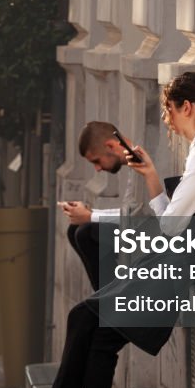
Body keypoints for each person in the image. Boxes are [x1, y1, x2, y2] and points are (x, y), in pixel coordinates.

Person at [0, 72, 195, 388]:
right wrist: (153, 176)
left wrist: (141, 192)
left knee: (85, 319)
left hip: (177, 263)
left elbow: (170, 227)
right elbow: (167, 221)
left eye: (169, 111)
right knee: (95, 334)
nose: (167, 120)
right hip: (172, 258)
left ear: (187, 107)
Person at [60, 121, 138, 292]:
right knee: (75, 229)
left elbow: (138, 218)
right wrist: (89, 213)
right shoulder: (133, 163)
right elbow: (129, 213)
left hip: (153, 236)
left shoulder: (140, 161)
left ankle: (111, 303)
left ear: (110, 146)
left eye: (96, 160)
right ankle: (104, 297)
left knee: (86, 232)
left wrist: (90, 217)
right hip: (139, 230)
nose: (97, 169)